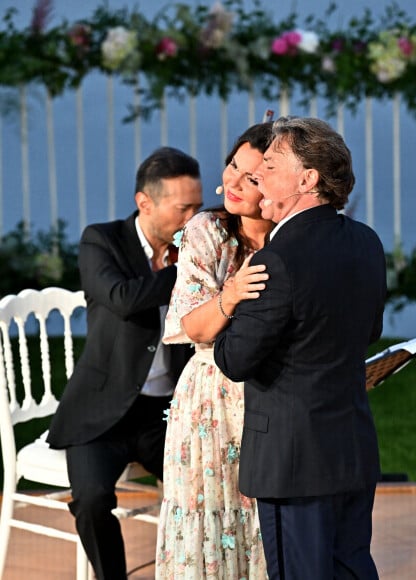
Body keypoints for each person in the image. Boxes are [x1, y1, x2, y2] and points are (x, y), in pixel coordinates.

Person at [213, 116, 387, 579]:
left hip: (293, 465)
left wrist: (229, 301)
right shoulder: (367, 242)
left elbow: (233, 358)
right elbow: (369, 331)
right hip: (351, 450)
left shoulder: (278, 259)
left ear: (307, 179)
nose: (258, 177)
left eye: (269, 165)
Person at [46, 146, 203, 580]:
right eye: (183, 207)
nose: (194, 219)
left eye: (198, 206)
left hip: (165, 415)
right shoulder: (102, 240)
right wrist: (189, 268)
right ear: (145, 203)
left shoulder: (188, 244)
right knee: (93, 500)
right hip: (102, 414)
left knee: (209, 485)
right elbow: (121, 298)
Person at [155, 123, 273, 579]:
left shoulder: (294, 238)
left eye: (252, 178)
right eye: (232, 168)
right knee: (211, 521)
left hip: (273, 396)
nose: (232, 184)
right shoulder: (207, 230)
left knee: (269, 520)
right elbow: (191, 326)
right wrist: (232, 293)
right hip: (211, 402)